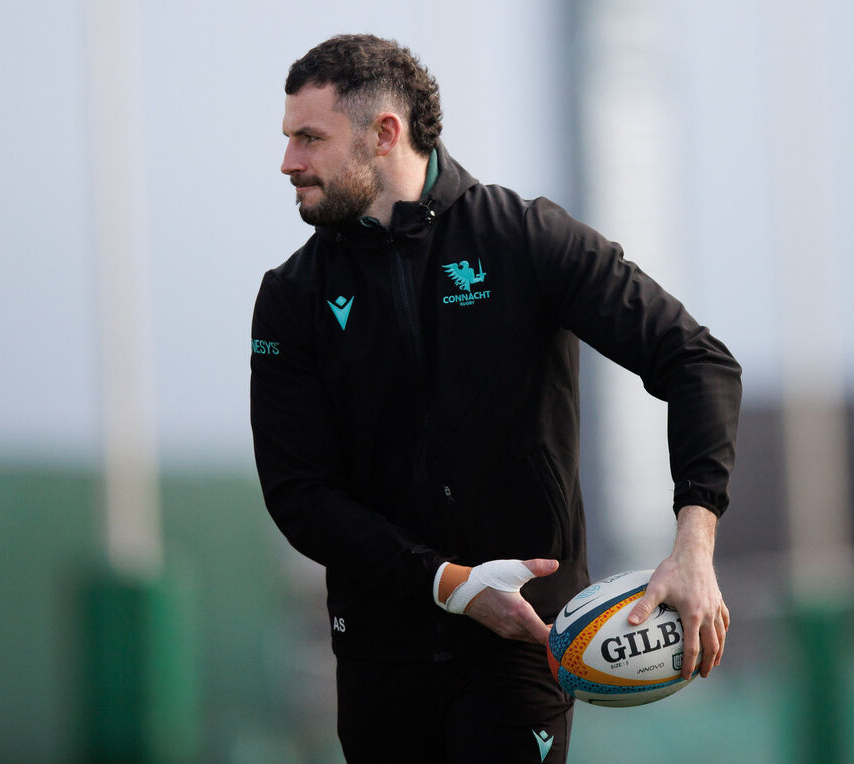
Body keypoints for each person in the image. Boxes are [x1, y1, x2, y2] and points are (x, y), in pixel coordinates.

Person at [250, 34, 742, 763]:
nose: (288, 162)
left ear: (385, 134)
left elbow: (697, 360)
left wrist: (693, 547)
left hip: (524, 649)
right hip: (380, 659)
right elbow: (298, 495)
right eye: (289, 139)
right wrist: (449, 584)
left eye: (309, 139)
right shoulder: (292, 297)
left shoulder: (523, 238)